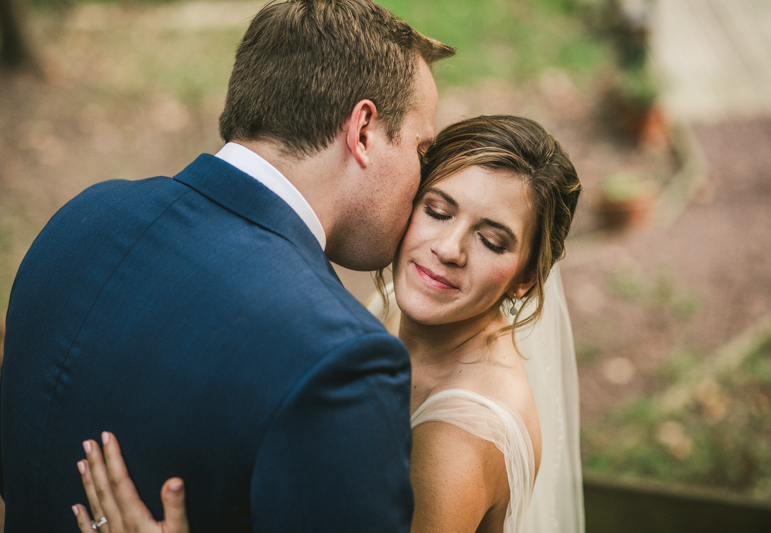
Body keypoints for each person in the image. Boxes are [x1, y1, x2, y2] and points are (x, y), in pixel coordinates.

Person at [0, 1, 453, 531]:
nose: (423, 178)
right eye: (422, 148)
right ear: (364, 130)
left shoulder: (81, 220)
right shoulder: (342, 358)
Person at [72, 115, 585, 533]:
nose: (449, 250)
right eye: (437, 210)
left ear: (524, 281)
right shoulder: (392, 303)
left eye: (492, 241)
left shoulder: (459, 437)